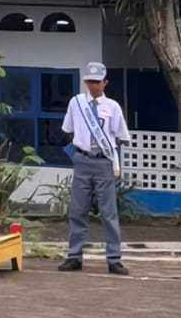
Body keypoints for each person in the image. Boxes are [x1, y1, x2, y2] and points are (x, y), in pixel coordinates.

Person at [58, 61, 131, 276]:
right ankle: (74, 256)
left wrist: (106, 151)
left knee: (108, 212)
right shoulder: (76, 103)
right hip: (82, 159)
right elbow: (68, 129)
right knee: (78, 210)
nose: (92, 85)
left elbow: (121, 136)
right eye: (89, 81)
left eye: (96, 82)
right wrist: (82, 148)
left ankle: (114, 259)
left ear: (105, 82)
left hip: (103, 161)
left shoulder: (113, 107)